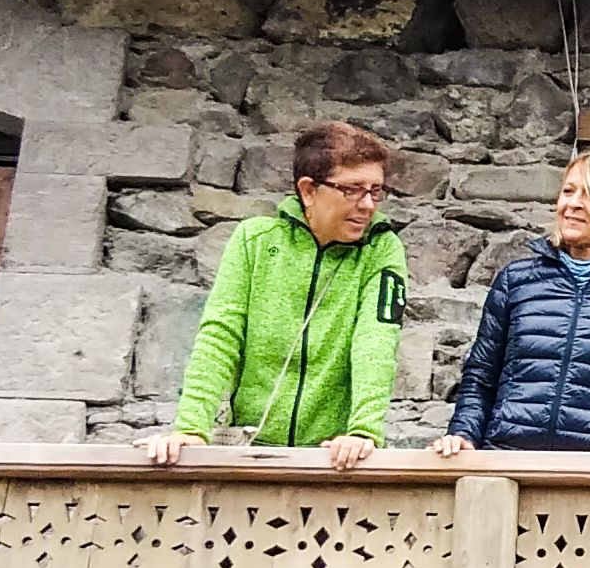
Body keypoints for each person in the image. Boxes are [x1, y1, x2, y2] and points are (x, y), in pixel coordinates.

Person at [141, 119, 407, 473]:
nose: (369, 205)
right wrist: (191, 428)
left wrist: (363, 431)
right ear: (308, 190)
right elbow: (220, 335)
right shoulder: (254, 240)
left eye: (376, 191)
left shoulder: (383, 249)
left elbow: (377, 339)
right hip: (251, 454)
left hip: (335, 459)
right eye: (353, 190)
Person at [432, 148, 590, 457]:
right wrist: (464, 433)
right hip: (505, 459)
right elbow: (480, 376)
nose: (572, 204)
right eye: (568, 191)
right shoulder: (516, 280)